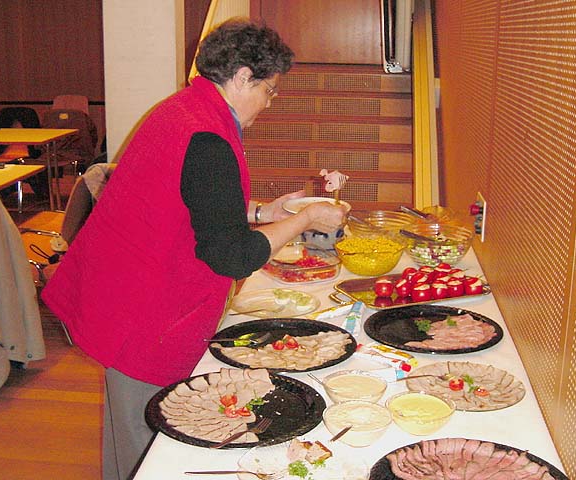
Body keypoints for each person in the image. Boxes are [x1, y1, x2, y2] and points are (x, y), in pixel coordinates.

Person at [41, 18, 347, 480]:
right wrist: (303, 220)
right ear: (242, 76)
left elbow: (190, 201)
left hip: (125, 295)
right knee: (149, 445)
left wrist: (263, 212)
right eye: (269, 90)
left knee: (129, 437)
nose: (269, 102)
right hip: (144, 312)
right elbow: (232, 256)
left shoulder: (183, 109)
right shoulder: (207, 136)